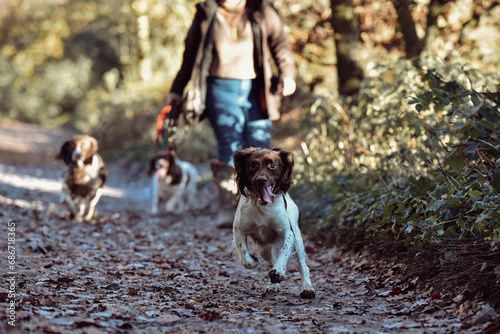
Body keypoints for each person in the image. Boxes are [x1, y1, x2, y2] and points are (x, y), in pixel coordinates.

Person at [165, 0, 297, 227]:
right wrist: (177, 90)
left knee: (260, 145)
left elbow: (280, 43)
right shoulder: (207, 11)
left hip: (257, 88)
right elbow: (190, 54)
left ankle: (262, 208)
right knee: (229, 146)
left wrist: (287, 73)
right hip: (219, 88)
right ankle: (229, 209)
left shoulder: (261, 8)